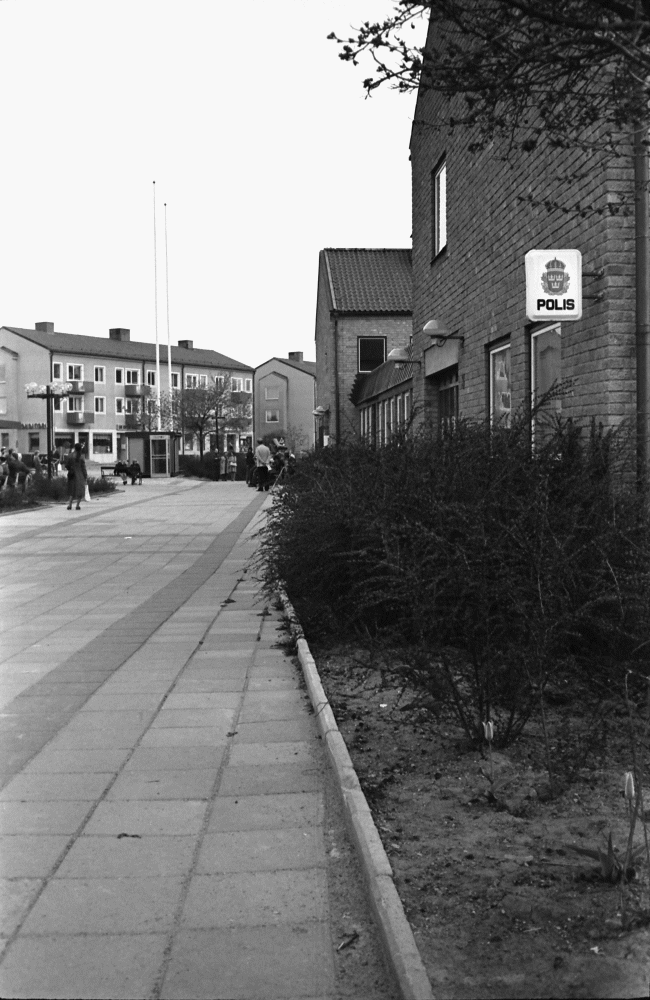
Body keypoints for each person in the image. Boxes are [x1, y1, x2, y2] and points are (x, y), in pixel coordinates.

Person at [65, 442, 87, 510]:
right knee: (80, 490)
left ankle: (69, 505)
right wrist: (85, 475)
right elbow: (83, 468)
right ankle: (77, 505)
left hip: (72, 474)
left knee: (72, 490)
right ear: (80, 448)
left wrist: (70, 469)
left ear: (74, 448)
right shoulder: (81, 457)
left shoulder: (70, 455)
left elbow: (66, 465)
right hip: (80, 475)